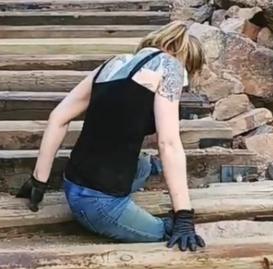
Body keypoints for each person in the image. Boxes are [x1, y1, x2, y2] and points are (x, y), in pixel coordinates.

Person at [16, 21, 206, 252]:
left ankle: (152, 168)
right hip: (100, 204)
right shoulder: (171, 66)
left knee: (144, 165)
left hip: (72, 184)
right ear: (185, 60)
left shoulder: (112, 63)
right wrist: (184, 216)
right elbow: (169, 144)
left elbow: (58, 117)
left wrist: (39, 180)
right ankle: (150, 201)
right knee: (166, 231)